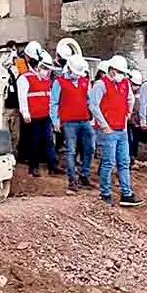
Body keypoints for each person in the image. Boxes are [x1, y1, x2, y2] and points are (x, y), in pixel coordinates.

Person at [89, 55, 144, 208]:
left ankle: (126, 194)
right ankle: (105, 193)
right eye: (119, 72)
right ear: (112, 70)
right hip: (109, 130)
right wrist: (104, 125)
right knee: (108, 162)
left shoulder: (124, 83)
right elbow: (93, 105)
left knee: (124, 162)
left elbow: (130, 99)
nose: (121, 75)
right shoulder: (101, 85)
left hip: (121, 129)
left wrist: (128, 113)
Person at [51, 54, 95, 193]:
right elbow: (54, 102)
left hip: (84, 119)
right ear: (68, 69)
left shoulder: (84, 81)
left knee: (90, 148)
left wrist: (93, 116)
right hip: (68, 121)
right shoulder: (59, 82)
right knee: (71, 150)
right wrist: (55, 120)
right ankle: (72, 180)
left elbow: (90, 100)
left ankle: (84, 175)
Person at [16, 42, 59, 178]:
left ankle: (52, 165)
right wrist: (25, 113)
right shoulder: (24, 78)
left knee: (48, 140)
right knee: (33, 142)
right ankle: (33, 167)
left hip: (45, 115)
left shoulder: (45, 78)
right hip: (33, 116)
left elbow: (49, 95)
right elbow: (22, 97)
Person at [128, 69, 147, 166]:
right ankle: (130, 159)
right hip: (128, 121)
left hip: (137, 122)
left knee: (135, 141)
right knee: (130, 141)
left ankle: (134, 158)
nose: (136, 87)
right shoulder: (126, 91)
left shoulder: (140, 92)